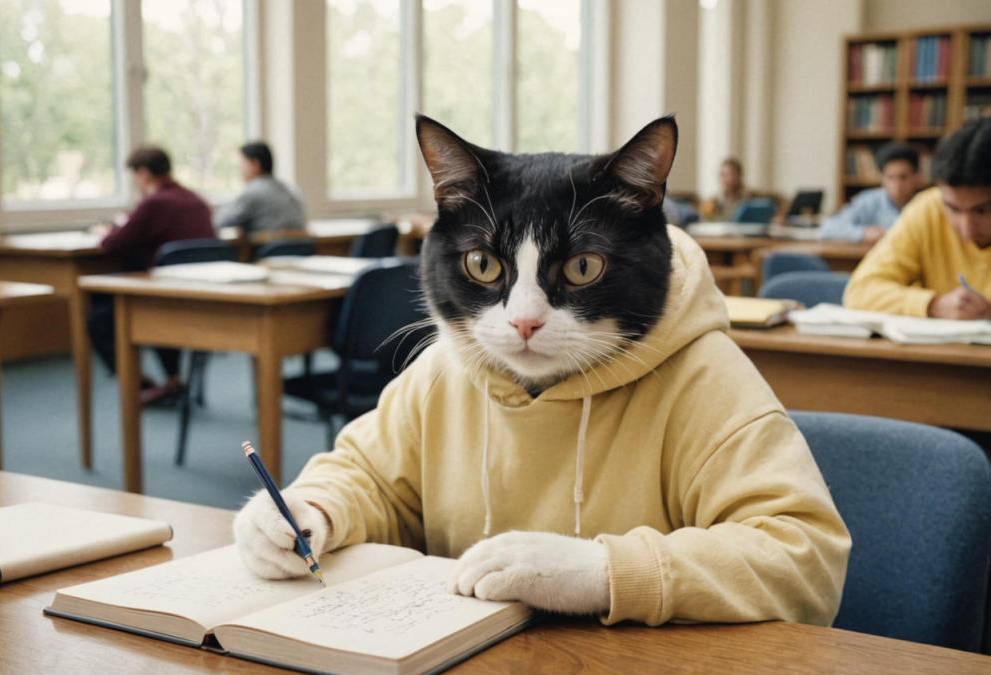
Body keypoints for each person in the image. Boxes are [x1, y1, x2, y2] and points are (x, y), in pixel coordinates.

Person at [233, 114, 850, 628]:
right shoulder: (451, 363)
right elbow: (371, 477)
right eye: (484, 267)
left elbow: (806, 559)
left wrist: (610, 574)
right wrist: (312, 511)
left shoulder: (701, 373)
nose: (523, 318)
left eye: (579, 269)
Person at [88, 146, 216, 403]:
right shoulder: (196, 200)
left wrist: (105, 232)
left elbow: (112, 244)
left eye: (134, 176)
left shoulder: (154, 203)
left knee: (98, 316)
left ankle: (139, 382)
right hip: (204, 295)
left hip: (165, 299)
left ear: (143, 173)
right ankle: (172, 380)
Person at [844, 118, 991, 319]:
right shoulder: (928, 208)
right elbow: (860, 291)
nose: (967, 230)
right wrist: (933, 305)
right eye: (953, 209)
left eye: (982, 211)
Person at [820, 143, 923, 244]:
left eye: (903, 177)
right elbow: (827, 229)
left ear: (916, 177)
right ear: (882, 178)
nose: (897, 184)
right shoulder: (868, 201)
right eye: (890, 177)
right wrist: (863, 233)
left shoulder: (925, 205)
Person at [213, 141, 306, 235]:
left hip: (267, 248)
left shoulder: (254, 191)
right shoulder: (290, 190)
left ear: (255, 165)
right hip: (301, 249)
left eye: (241, 164)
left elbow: (219, 221)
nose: (239, 170)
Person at [701, 157, 748, 221]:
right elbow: (705, 220)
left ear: (738, 175)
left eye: (729, 174)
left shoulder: (748, 199)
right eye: (722, 175)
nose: (725, 179)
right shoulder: (714, 201)